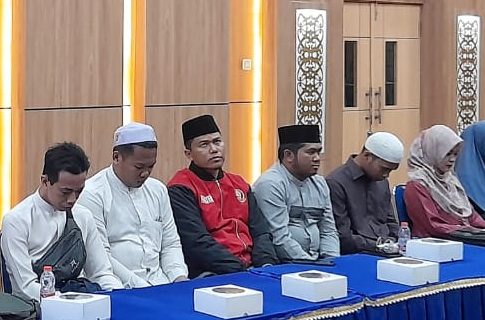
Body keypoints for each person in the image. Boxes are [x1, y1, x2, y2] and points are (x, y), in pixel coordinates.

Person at [0, 142, 122, 299]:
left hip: (77, 299)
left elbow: (101, 274)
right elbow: (26, 287)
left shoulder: (83, 216)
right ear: (45, 181)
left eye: (79, 191)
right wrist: (65, 303)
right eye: (65, 192)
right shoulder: (16, 221)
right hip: (35, 305)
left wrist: (121, 296)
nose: (72, 199)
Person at [77, 122, 188, 288]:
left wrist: (179, 278)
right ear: (116, 157)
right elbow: (101, 257)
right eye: (139, 167)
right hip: (118, 287)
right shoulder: (92, 194)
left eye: (151, 166)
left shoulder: (158, 190)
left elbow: (170, 244)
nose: (145, 173)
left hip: (162, 284)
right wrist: (143, 288)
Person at [167, 114, 277, 277]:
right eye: (204, 145)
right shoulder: (181, 187)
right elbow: (197, 242)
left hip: (253, 268)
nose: (214, 149)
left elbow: (260, 231)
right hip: (213, 271)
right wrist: (241, 270)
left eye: (217, 141)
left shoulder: (239, 183)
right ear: (189, 154)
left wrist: (266, 265)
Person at [252, 124, 339, 262]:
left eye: (318, 152)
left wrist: (333, 261)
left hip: (318, 262)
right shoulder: (271, 184)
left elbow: (328, 230)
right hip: (284, 263)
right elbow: (279, 238)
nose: (317, 158)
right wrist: (312, 265)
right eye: (311, 152)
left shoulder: (320, 183)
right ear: (289, 155)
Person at [402, 125, 485, 239]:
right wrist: (473, 233)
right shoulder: (417, 185)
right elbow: (433, 226)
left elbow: (470, 216)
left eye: (455, 154)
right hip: (435, 242)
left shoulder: (451, 180)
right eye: (447, 154)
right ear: (432, 151)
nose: (452, 159)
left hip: (462, 237)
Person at [327, 132, 405, 255]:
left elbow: (391, 222)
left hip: (388, 250)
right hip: (356, 254)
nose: (386, 175)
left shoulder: (382, 182)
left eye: (391, 170)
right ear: (367, 156)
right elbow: (343, 237)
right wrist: (379, 247)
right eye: (384, 169)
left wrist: (394, 243)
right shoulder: (336, 183)